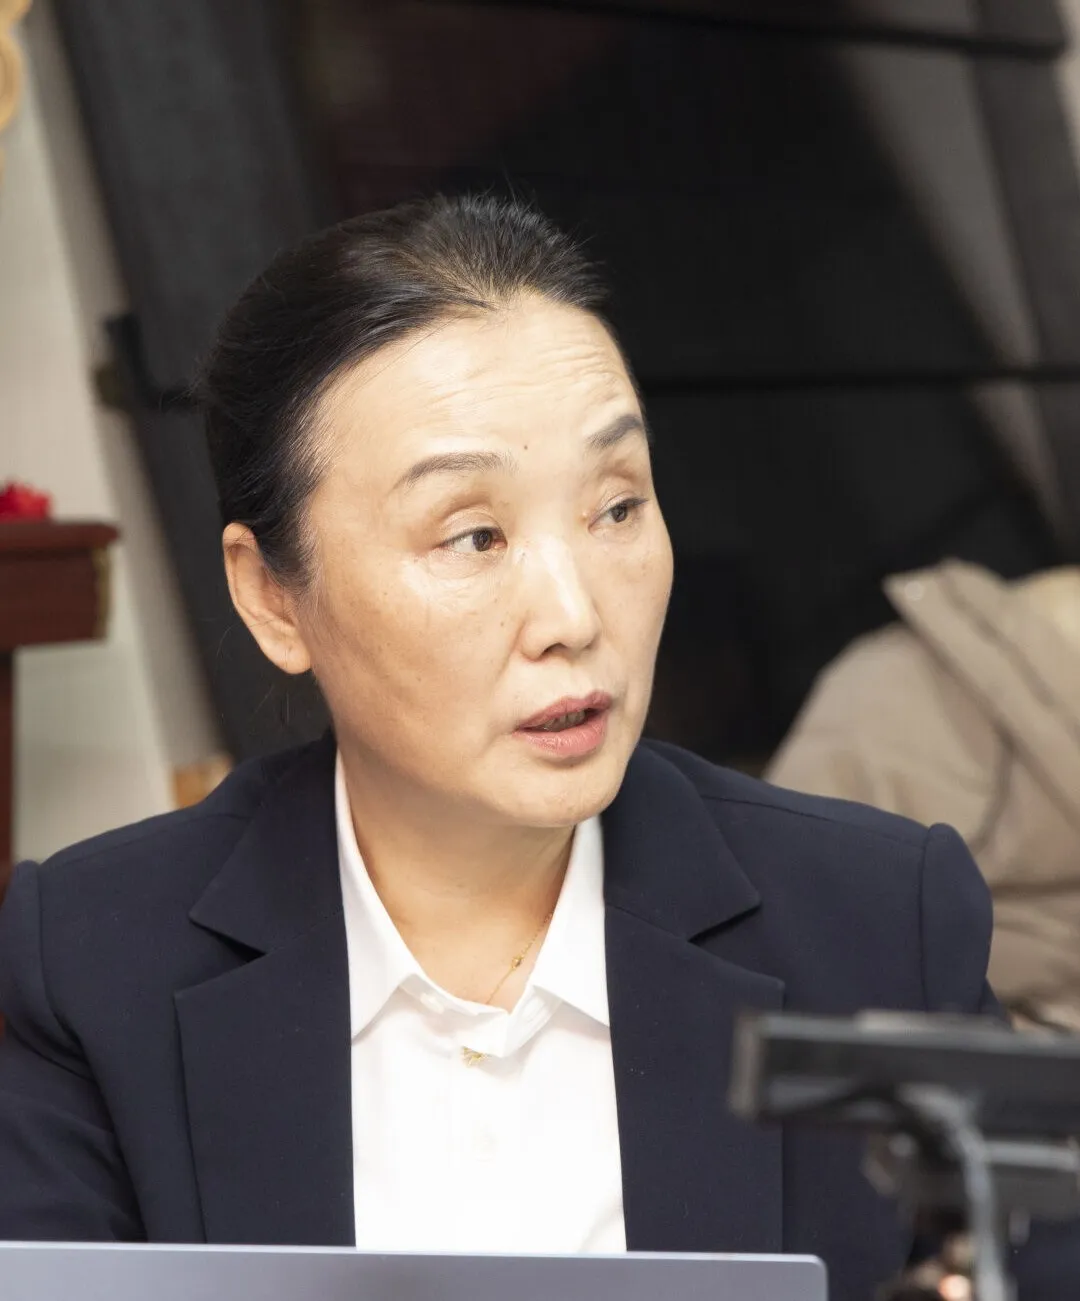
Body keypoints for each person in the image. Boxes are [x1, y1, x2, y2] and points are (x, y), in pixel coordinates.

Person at [0, 195, 1067, 1301]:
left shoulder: (877, 922)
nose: (573, 613)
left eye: (616, 508)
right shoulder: (95, 962)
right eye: (475, 534)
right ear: (272, 595)